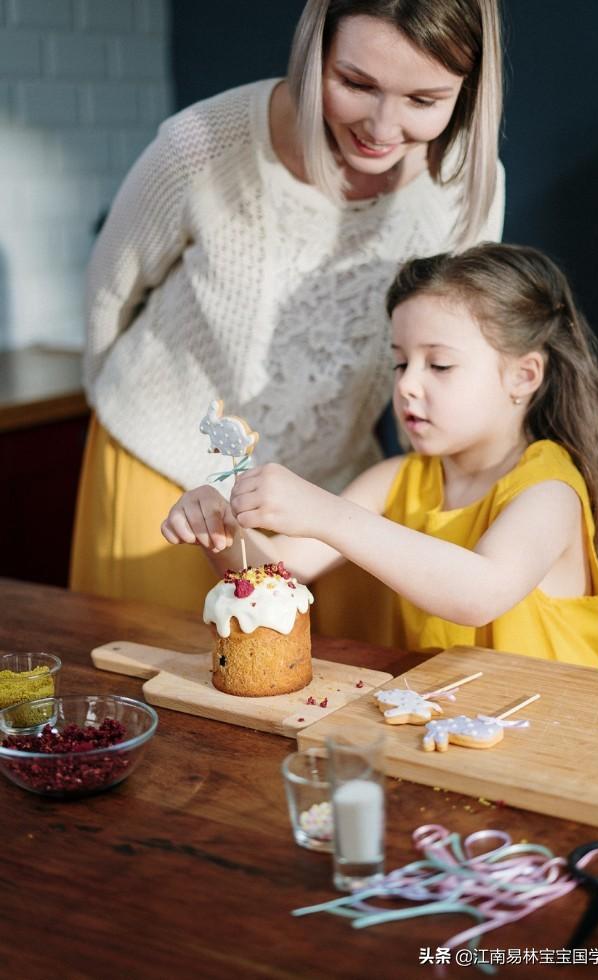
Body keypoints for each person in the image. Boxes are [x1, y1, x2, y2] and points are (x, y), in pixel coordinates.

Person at [70, 0, 505, 627]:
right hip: (163, 477)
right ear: (314, 52)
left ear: (468, 91)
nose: (383, 127)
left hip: (333, 502)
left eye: (424, 101)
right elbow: (109, 291)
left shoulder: (469, 185)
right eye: (356, 84)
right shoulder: (202, 144)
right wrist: (116, 408)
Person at [161, 243, 598, 669]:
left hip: (553, 743)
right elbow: (281, 571)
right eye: (400, 362)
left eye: (440, 364)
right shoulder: (396, 478)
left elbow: (478, 593)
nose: (407, 385)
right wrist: (222, 530)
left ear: (523, 376)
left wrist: (324, 511)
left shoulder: (550, 492)